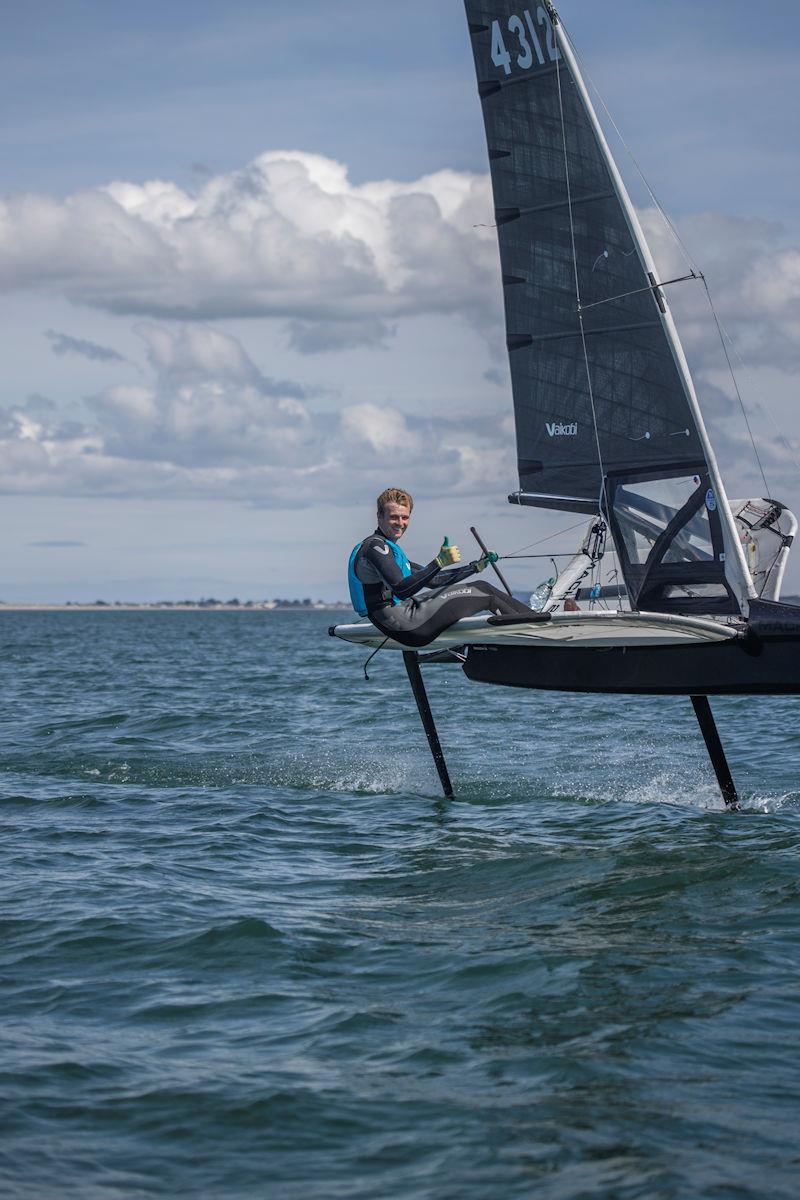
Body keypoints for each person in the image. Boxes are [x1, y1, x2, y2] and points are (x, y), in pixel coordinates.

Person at [348, 487, 534, 648]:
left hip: (400, 620)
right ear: (379, 516)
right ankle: (537, 626)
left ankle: (535, 619)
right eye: (394, 517)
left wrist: (475, 566)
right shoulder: (376, 547)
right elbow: (401, 588)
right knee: (484, 591)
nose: (400, 523)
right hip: (407, 624)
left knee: (481, 585)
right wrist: (439, 562)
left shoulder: (386, 549)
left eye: (405, 517)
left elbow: (435, 580)